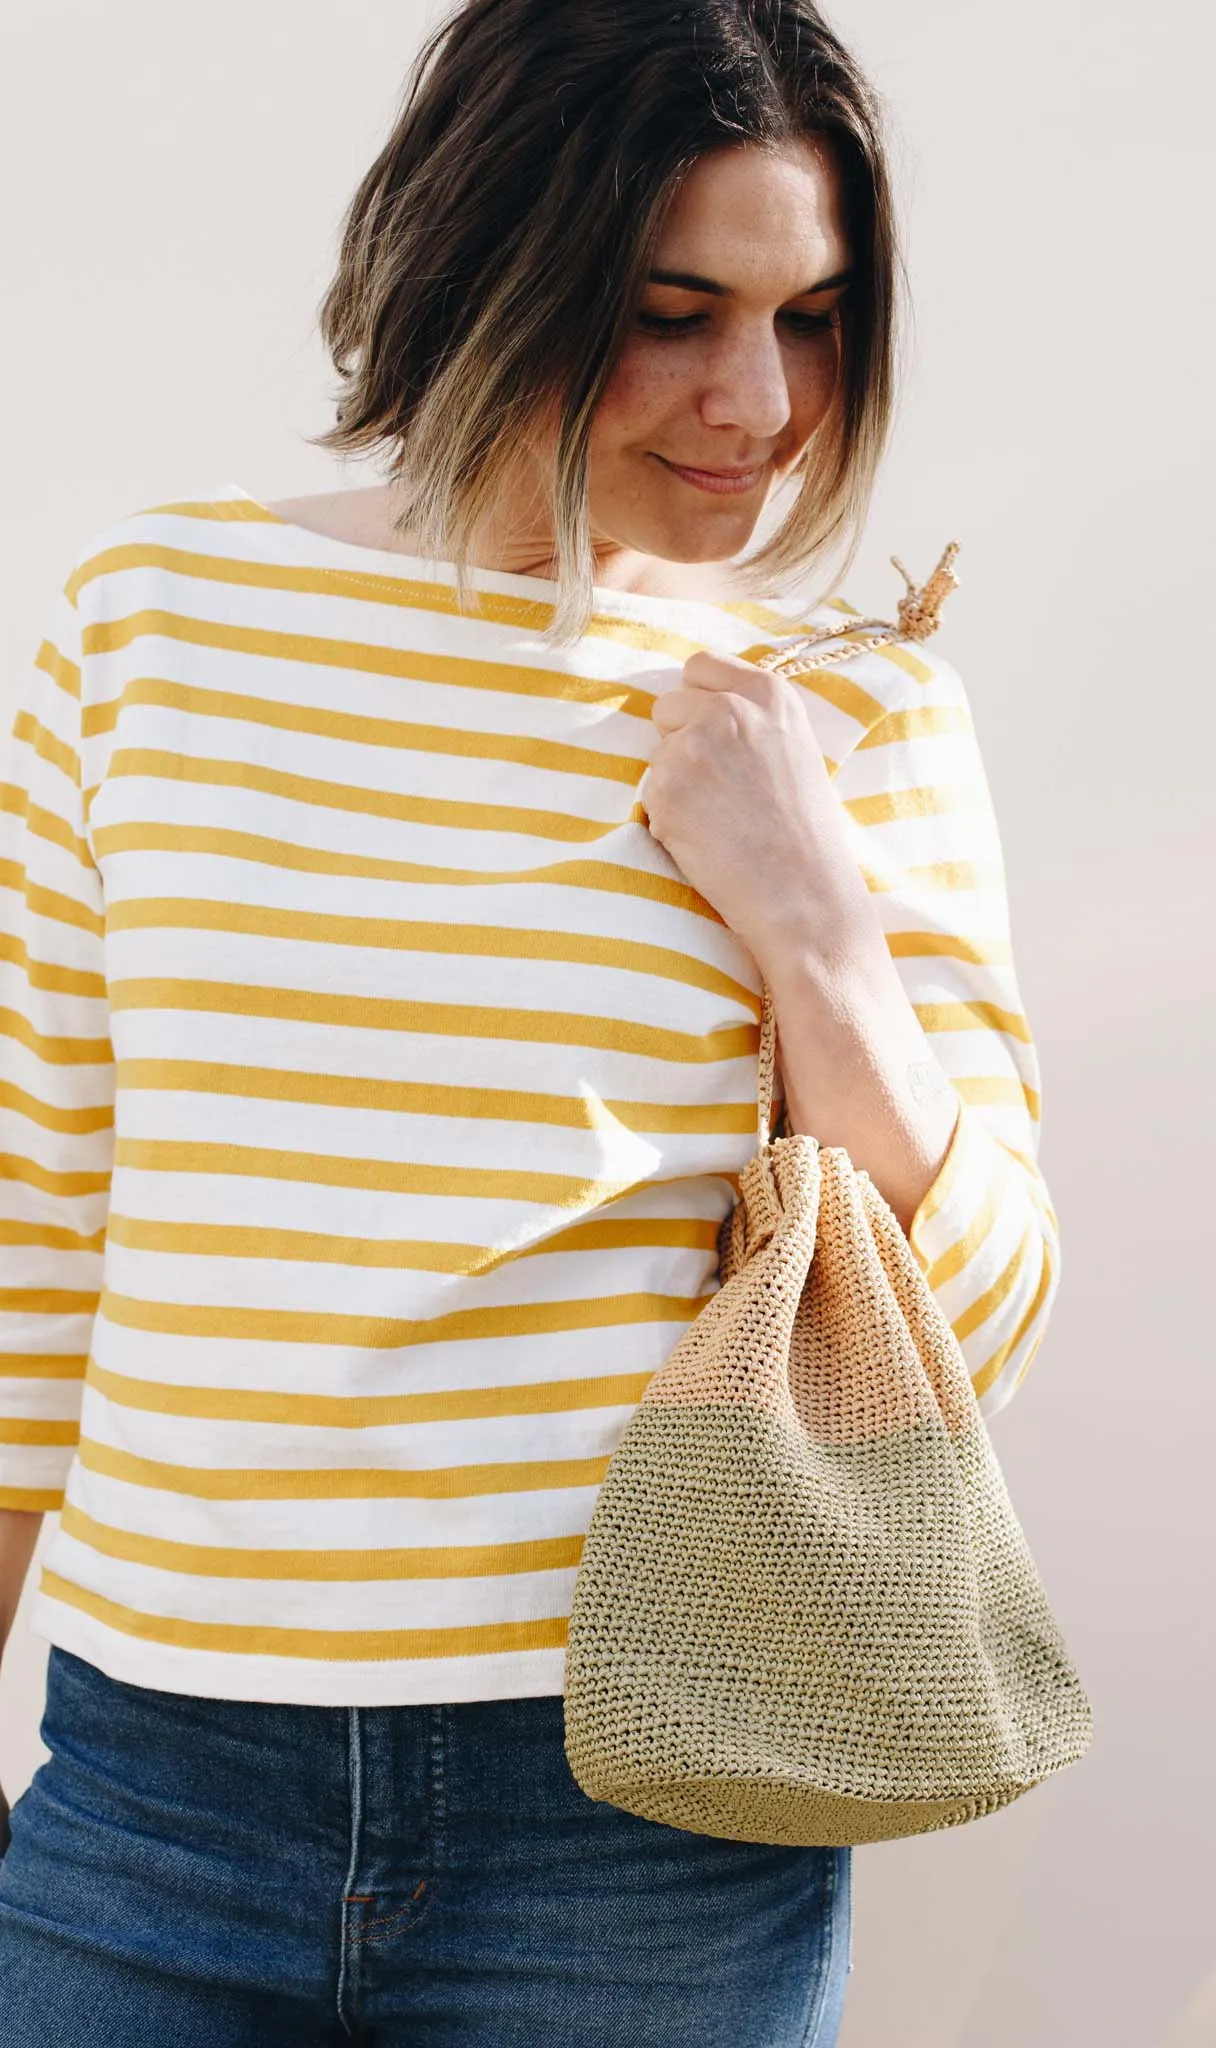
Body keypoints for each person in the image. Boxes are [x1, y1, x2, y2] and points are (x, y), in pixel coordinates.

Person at [0, 1, 1061, 2039]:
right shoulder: (154, 629)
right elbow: (32, 1247)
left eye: (814, 317)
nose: (758, 397)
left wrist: (812, 922)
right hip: (150, 1797)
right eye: (676, 308)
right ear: (492, 258)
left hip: (633, 1830)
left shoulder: (850, 716)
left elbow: (984, 1320)